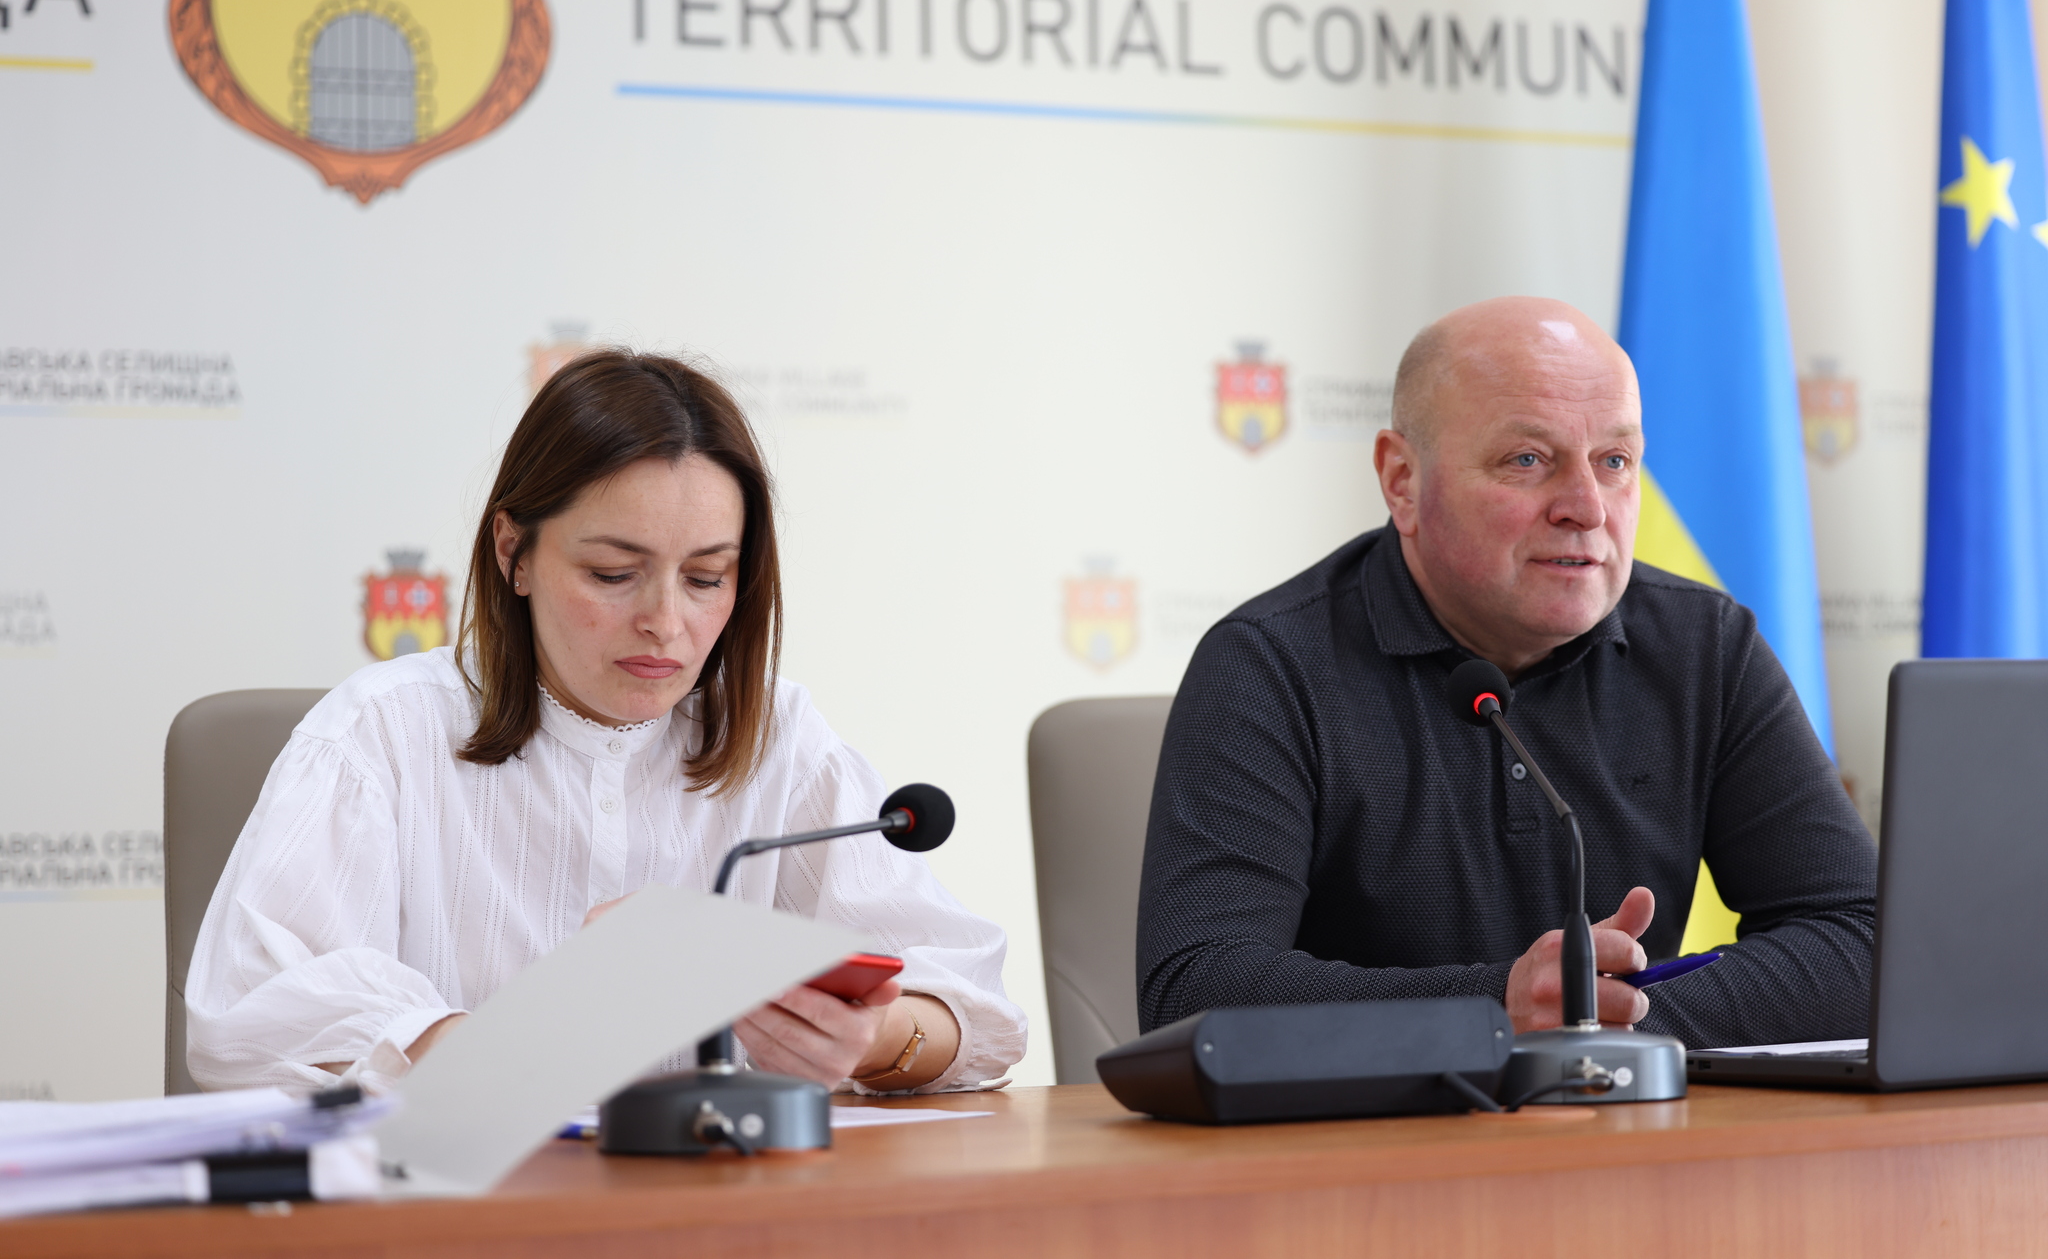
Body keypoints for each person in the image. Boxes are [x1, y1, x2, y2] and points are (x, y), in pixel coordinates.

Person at [187, 351, 1025, 1095]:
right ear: (514, 553)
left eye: (706, 579)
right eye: (615, 573)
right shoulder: (380, 734)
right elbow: (255, 1011)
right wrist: (516, 1052)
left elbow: (974, 1005)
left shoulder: (781, 737)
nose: (665, 622)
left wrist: (872, 1038)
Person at [1137, 297, 1877, 1049]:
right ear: (1402, 481)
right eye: (1527, 460)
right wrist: (1495, 1011)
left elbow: (1867, 940)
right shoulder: (1267, 665)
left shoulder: (1705, 645)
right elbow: (1195, 991)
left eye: (1614, 462)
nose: (1587, 508)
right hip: (1377, 1122)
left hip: (1628, 1116)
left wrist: (1600, 1019)